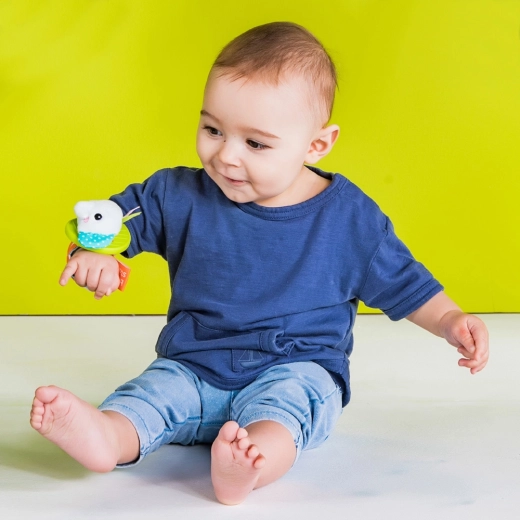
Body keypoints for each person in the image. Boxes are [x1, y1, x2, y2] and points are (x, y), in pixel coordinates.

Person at [30, 22, 489, 505]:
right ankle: (109, 435)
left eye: (256, 144)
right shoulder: (177, 193)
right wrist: (93, 253)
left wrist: (450, 319)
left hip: (295, 364)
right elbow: (108, 220)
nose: (226, 156)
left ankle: (250, 463)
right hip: (193, 364)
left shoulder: (349, 218)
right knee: (154, 395)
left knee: (288, 409)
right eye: (212, 130)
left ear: (316, 145)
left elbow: (404, 283)